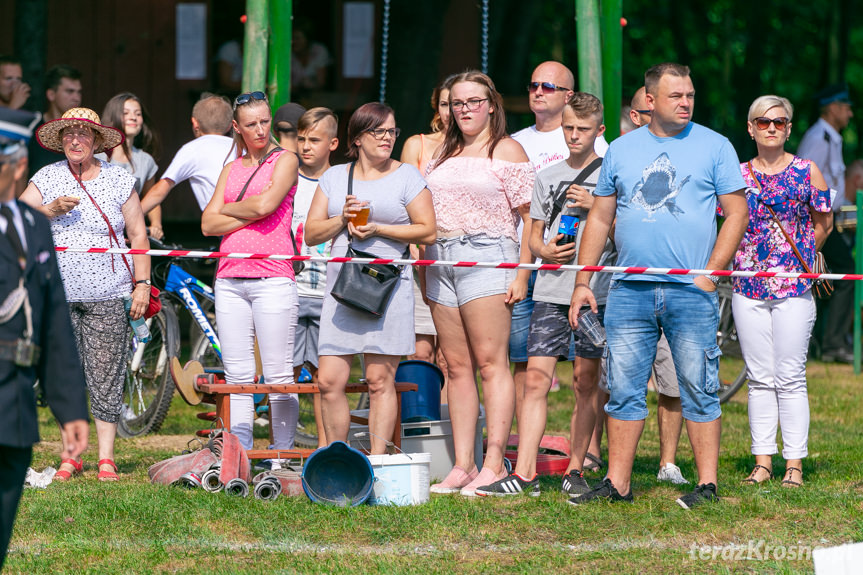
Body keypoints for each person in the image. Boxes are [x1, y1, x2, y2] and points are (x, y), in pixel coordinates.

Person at [568, 63, 749, 509]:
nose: (686, 102)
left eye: (690, 95)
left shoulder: (715, 146)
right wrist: (582, 282)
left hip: (691, 291)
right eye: (676, 96)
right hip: (629, 289)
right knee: (625, 387)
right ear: (649, 101)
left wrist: (712, 271)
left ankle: (707, 486)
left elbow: (737, 213)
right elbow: (601, 217)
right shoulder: (623, 150)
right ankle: (618, 484)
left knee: (698, 387)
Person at [476, 92, 610, 497]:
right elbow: (531, 235)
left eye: (583, 129)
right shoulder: (547, 175)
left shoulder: (610, 177)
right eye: (569, 127)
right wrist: (543, 250)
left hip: (594, 293)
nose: (573, 135)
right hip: (551, 289)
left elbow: (624, 237)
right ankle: (526, 472)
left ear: (599, 132)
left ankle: (577, 468)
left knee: (587, 381)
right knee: (535, 378)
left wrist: (599, 206)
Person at [20, 107, 151, 482]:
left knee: (105, 374)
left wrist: (142, 284)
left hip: (109, 292)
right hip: (56, 295)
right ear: (60, 140)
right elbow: (17, 218)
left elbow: (138, 235)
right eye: (68, 134)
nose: (75, 140)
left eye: (83, 134)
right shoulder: (47, 176)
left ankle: (106, 458)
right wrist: (48, 209)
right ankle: (71, 455)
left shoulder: (118, 178)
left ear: (96, 141)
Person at [423, 71, 533, 496]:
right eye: (457, 102)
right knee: (455, 367)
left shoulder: (507, 149)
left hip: (488, 256)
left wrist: (523, 272)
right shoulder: (441, 152)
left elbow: (530, 218)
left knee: (491, 364)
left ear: (491, 105)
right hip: (440, 258)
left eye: (473, 101)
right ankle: (463, 464)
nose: (464, 109)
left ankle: (493, 462)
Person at [304, 102, 436, 455]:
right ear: (358, 137)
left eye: (392, 131)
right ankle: (338, 457)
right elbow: (311, 233)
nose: (387, 138)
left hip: (387, 287)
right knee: (329, 381)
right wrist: (341, 220)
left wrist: (379, 228)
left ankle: (377, 463)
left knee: (380, 381)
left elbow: (428, 230)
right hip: (343, 288)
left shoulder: (407, 175)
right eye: (379, 132)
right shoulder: (335, 177)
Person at [0, 125, 89, 571]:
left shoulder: (34, 224)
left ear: (17, 167)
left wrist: (70, 409)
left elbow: (53, 322)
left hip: (14, 401)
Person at [735, 95, 832, 488]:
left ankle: (794, 464)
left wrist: (805, 257)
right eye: (763, 122)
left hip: (793, 286)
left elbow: (823, 223)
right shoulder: (736, 175)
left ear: (790, 128)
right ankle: (763, 462)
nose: (771, 127)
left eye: (779, 122)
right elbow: (727, 223)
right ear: (751, 128)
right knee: (759, 377)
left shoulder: (808, 171)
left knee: (790, 376)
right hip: (748, 285)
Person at [201, 91, 300, 455]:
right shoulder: (232, 168)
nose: (260, 130)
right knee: (239, 375)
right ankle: (240, 452)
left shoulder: (285, 159)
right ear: (236, 128)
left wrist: (229, 208)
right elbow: (207, 224)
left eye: (264, 121)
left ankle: (281, 453)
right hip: (229, 277)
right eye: (251, 124)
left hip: (272, 274)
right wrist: (245, 210)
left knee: (277, 374)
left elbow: (267, 204)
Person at [400, 75, 457, 378]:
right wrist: (413, 240)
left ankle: (451, 424)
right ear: (437, 107)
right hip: (420, 254)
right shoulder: (416, 145)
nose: (451, 111)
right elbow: (403, 199)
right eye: (446, 104)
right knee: (420, 351)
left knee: (451, 356)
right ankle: (420, 420)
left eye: (458, 103)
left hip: (458, 257)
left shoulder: (479, 148)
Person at [797, 84, 855, 363]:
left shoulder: (830, 137)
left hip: (828, 219)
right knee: (845, 272)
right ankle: (833, 344)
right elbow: (807, 181)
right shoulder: (819, 138)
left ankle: (821, 341)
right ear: (832, 108)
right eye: (846, 107)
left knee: (829, 278)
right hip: (817, 221)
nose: (850, 114)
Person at [292, 107, 339, 447]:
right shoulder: (287, 178)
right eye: (301, 139)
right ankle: (284, 446)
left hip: (329, 292)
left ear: (333, 143)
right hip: (290, 288)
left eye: (314, 140)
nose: (306, 146)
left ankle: (325, 447)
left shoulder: (340, 181)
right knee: (287, 374)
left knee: (327, 377)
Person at [140, 93, 234, 216]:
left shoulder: (193, 149)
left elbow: (160, 190)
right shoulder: (240, 146)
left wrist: (128, 220)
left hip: (224, 222)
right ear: (230, 126)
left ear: (195, 123)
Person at [97, 93, 163, 239]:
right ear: (112, 118)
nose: (133, 117)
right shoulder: (96, 156)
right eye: (125, 113)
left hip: (131, 236)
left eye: (138, 114)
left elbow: (151, 197)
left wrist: (156, 225)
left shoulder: (146, 161)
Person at [28, 65, 83, 176]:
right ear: (51, 95)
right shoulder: (31, 127)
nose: (76, 97)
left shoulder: (85, 132)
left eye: (79, 92)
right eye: (70, 91)